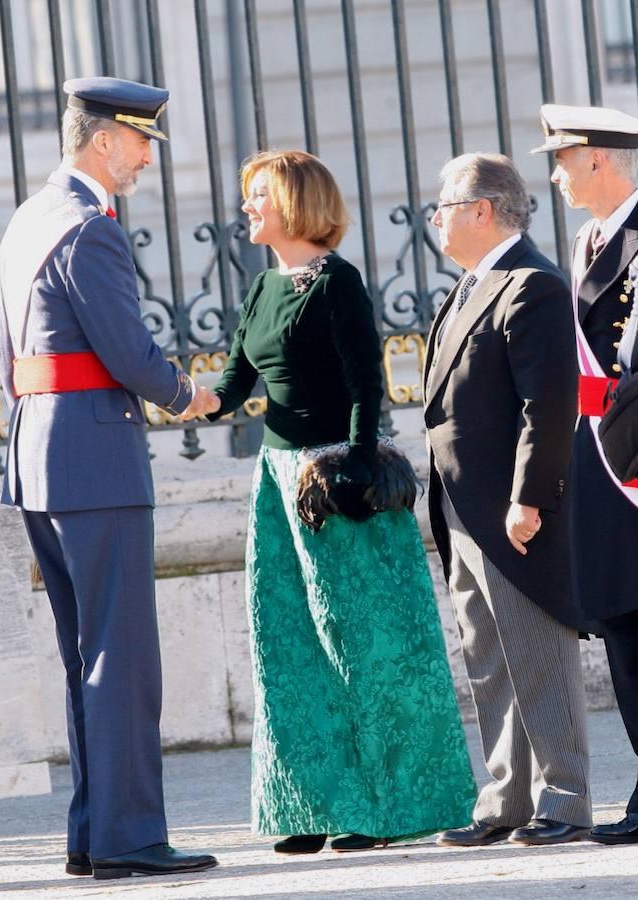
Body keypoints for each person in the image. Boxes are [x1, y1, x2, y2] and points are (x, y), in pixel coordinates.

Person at [187, 149, 476, 853]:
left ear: (291, 202)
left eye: (258, 195)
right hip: (274, 482)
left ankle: (383, 809)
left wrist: (349, 465)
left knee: (364, 644)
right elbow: (232, 384)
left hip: (333, 482)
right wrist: (178, 397)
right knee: (288, 642)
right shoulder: (261, 289)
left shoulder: (337, 282)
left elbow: (365, 384)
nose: (246, 207)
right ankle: (310, 806)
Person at [0, 77, 217, 880]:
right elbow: (128, 352)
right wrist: (188, 394)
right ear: (103, 140)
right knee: (121, 656)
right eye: (141, 143)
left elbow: (4, 354)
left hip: (41, 456)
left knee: (86, 651)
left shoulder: (27, 220)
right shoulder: (89, 228)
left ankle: (93, 835)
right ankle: (127, 836)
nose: (147, 159)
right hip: (95, 459)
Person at [424, 152, 592, 848]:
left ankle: (565, 798)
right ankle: (506, 799)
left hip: (511, 508)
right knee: (488, 658)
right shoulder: (469, 285)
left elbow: (546, 405)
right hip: (464, 505)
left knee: (537, 655)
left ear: (482, 209)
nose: (435, 218)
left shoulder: (532, 286)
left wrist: (529, 498)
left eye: (443, 205)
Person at [531, 103, 638, 845]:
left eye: (562, 158)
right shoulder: (584, 240)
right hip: (601, 459)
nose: (555, 173)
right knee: (625, 627)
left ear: (598, 158)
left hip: (634, 455)